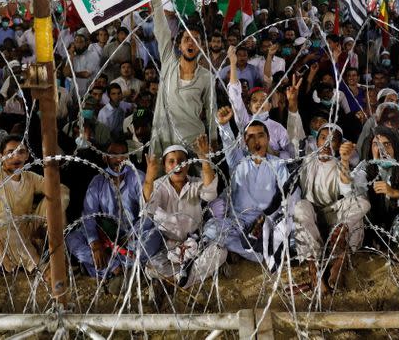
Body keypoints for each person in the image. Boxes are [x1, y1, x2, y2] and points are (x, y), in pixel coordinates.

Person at [0, 99, 69, 274]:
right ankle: (40, 267)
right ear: (0, 156)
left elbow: (59, 190)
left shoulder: (30, 178)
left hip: (26, 231)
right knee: (1, 222)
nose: (16, 156)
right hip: (1, 239)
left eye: (21, 152)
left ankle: (57, 251)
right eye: (10, 152)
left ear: (27, 157)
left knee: (60, 195)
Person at [203, 108, 292, 268]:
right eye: (250, 137)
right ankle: (256, 253)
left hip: (265, 222)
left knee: (290, 231)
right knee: (210, 228)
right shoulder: (238, 161)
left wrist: (271, 219)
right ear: (244, 141)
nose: (255, 140)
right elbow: (230, 146)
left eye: (260, 135)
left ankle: (246, 249)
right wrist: (224, 126)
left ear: (268, 138)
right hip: (238, 221)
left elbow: (286, 196)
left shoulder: (277, 165)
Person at [65, 139, 159, 289]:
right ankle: (117, 268)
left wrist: (130, 235)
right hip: (108, 237)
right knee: (72, 238)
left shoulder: (137, 177)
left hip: (133, 237)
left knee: (154, 237)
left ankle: (100, 269)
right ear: (105, 157)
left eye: (123, 154)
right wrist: (95, 243)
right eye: (114, 155)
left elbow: (148, 212)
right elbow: (88, 215)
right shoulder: (97, 182)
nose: (120, 159)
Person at [293, 124, 370, 293]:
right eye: (323, 138)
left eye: (333, 139)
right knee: (299, 207)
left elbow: (346, 191)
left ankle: (339, 260)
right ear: (316, 141)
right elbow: (294, 135)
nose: (327, 143)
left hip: (332, 216)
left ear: (339, 144)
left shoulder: (340, 164)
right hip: (312, 215)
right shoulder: (307, 162)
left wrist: (344, 160)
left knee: (361, 203)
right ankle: (315, 271)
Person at [143, 136, 226, 293]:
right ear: (166, 167)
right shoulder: (159, 185)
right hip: (167, 247)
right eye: (171, 161)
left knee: (220, 252)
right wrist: (149, 177)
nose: (177, 165)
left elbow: (210, 194)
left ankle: (176, 281)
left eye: (181, 160)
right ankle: (187, 275)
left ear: (187, 165)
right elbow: (148, 206)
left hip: (194, 244)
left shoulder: (194, 184)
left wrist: (204, 160)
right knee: (151, 266)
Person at [149, 0, 216, 156]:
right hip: (164, 138)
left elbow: (211, 110)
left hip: (194, 140)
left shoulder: (207, 77)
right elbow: (161, 29)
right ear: (179, 44)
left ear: (201, 47)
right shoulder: (168, 63)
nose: (191, 42)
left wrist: (213, 139)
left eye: (196, 40)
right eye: (187, 39)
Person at [225, 46, 294, 159]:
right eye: (255, 100)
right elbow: (235, 95)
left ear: (270, 105)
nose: (259, 103)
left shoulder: (278, 128)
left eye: (263, 100)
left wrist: (274, 154)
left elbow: (291, 153)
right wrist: (233, 63)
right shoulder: (244, 121)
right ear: (249, 106)